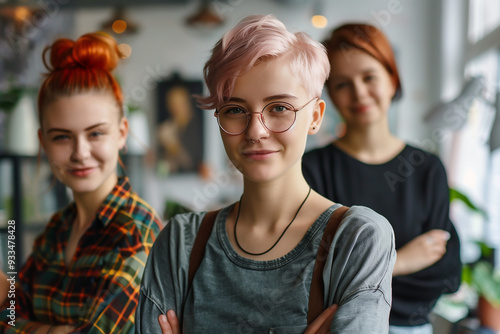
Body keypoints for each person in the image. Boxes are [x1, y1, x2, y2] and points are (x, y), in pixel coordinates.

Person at [136, 15, 396, 334]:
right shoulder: (180, 242)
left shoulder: (357, 239)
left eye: (279, 108)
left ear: (315, 116)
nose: (256, 131)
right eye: (234, 110)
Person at [302, 23, 462, 334]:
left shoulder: (427, 168)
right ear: (330, 96)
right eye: (342, 84)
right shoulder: (312, 169)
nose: (359, 92)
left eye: (369, 77)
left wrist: (357, 276)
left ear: (392, 79)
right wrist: (400, 263)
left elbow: (445, 274)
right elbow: (312, 275)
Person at [0, 32, 163, 333]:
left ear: (122, 132)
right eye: (62, 136)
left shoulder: (136, 231)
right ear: (43, 143)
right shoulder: (56, 229)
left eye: (96, 133)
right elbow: (8, 313)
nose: (80, 153)